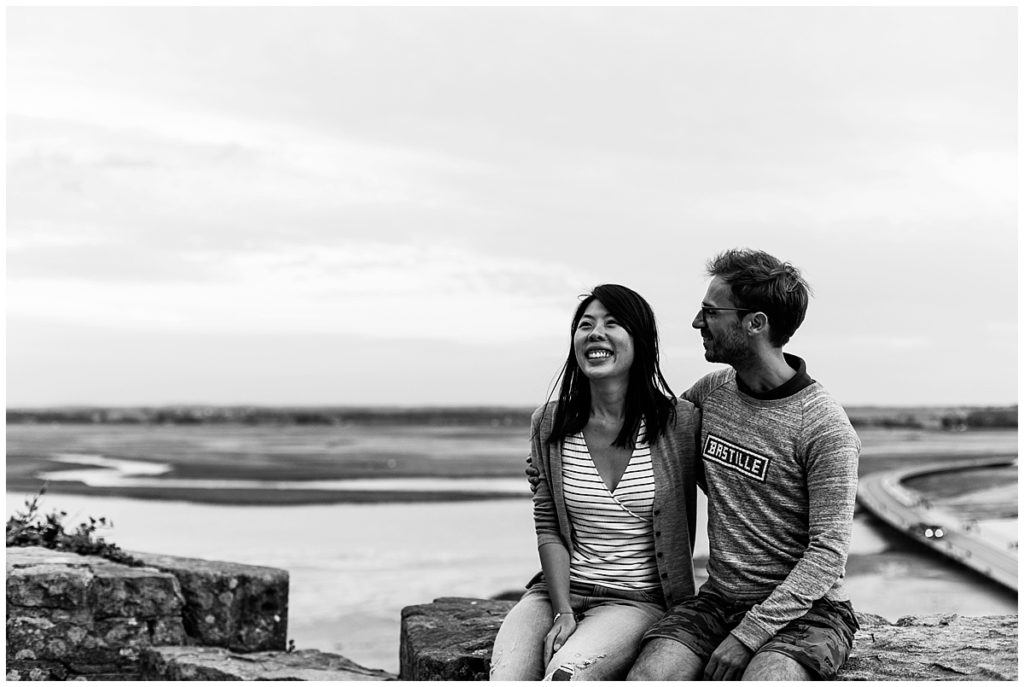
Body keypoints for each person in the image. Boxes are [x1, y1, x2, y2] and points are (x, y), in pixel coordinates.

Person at [626, 248, 861, 681]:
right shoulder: (711, 391)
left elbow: (828, 554)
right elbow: (648, 439)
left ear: (755, 323)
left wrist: (749, 635)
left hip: (808, 613)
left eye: (710, 312)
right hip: (717, 600)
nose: (698, 323)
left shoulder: (825, 427)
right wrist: (552, 460)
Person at [490, 284, 702, 681]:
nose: (595, 333)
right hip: (555, 594)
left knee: (565, 674)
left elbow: (730, 488)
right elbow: (548, 525)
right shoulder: (549, 423)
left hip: (638, 602)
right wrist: (562, 611)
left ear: (640, 341)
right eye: (585, 325)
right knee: (506, 675)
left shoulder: (680, 423)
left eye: (612, 323)